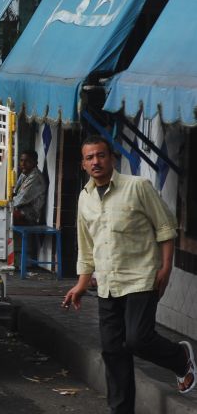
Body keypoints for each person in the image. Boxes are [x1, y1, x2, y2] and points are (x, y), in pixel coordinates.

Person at [63, 135, 195, 412]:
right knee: (113, 351)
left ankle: (180, 357)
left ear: (112, 158)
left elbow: (165, 228)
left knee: (137, 339)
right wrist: (80, 284)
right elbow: (86, 246)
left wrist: (166, 268)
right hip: (107, 284)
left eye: (101, 155)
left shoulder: (138, 187)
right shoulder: (84, 198)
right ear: (83, 165)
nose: (96, 161)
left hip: (141, 278)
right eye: (90, 158)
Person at [13, 149, 47, 225]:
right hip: (22, 212)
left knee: (3, 216)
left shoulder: (35, 177)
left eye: (27, 161)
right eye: (21, 160)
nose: (23, 164)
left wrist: (4, 204)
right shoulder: (25, 173)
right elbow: (15, 192)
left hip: (30, 217)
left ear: (35, 163)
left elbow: (20, 200)